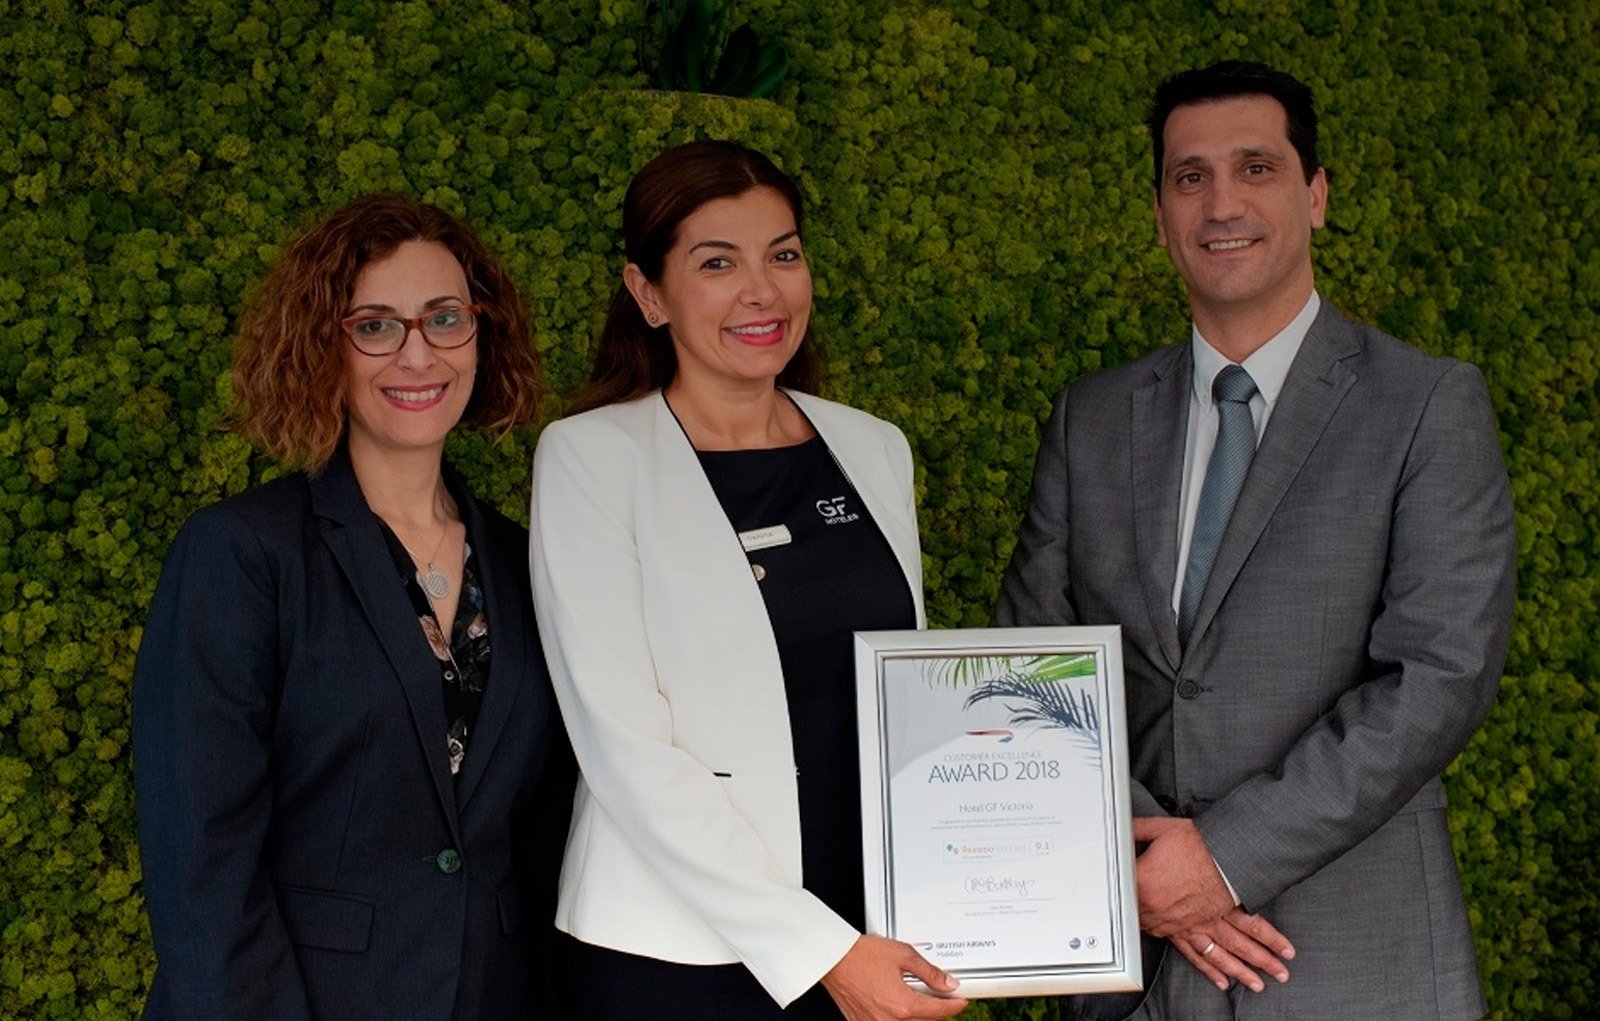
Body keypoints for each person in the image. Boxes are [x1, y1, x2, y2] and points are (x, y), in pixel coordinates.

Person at [998, 61, 1515, 1020]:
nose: (1221, 201)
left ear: (1315, 196)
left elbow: (1438, 677)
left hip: (1353, 959)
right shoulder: (1090, 418)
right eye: (1189, 177)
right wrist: (1152, 854)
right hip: (1133, 957)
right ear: (1158, 214)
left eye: (1256, 168)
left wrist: (1226, 856)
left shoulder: (1427, 405)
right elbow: (1033, 666)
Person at [529, 140, 966, 1021]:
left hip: (870, 936)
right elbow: (625, 747)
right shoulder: (590, 458)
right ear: (648, 293)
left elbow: (901, 697)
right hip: (676, 957)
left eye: (784, 253)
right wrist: (818, 948)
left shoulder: (875, 447)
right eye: (717, 262)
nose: (762, 290)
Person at [132, 195, 571, 1019]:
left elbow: (539, 837)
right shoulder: (242, 553)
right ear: (322, 345)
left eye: (445, 317)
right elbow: (202, 858)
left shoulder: (527, 560)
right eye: (375, 325)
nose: (418, 355)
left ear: (483, 332)